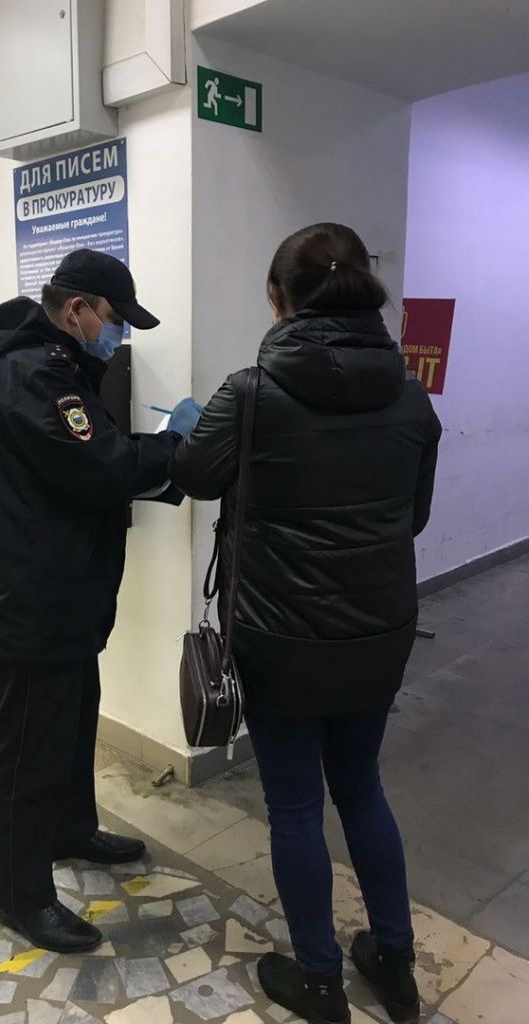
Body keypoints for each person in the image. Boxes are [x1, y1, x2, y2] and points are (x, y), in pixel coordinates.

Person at [171, 223, 441, 1024]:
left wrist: (194, 427)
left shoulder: (250, 393)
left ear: (277, 298)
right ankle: (394, 965)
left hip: (280, 640)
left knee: (294, 806)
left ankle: (321, 980)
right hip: (378, 634)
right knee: (362, 788)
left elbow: (192, 474)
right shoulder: (411, 394)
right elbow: (414, 518)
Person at [0, 248, 201, 954]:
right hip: (35, 598)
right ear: (76, 310)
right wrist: (174, 444)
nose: (116, 334)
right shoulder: (32, 375)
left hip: (61, 591)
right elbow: (101, 465)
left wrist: (153, 449)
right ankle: (21, 895)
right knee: (28, 748)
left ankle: (69, 829)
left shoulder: (56, 367)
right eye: (113, 319)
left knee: (69, 723)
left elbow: (89, 459)